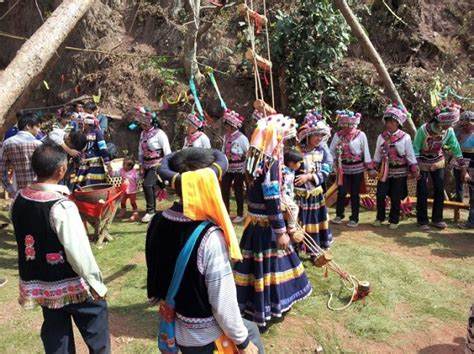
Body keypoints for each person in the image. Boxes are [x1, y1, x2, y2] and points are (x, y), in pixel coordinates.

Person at [149, 148, 262, 354]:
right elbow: (223, 305)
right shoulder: (210, 237)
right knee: (251, 333)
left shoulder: (157, 221)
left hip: (176, 328)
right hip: (206, 338)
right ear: (211, 184)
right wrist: (244, 343)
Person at [10, 143, 109, 354]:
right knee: (95, 326)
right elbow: (78, 253)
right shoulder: (61, 206)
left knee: (56, 334)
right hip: (72, 283)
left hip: (43, 284)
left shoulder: (18, 199)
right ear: (61, 170)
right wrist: (96, 284)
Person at [234, 114, 312, 327]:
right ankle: (266, 307)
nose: (283, 144)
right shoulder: (271, 163)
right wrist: (280, 230)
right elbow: (271, 198)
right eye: (282, 139)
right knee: (268, 266)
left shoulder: (254, 160)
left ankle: (248, 303)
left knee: (252, 266)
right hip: (267, 227)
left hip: (255, 223)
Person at [413, 101, 465, 230]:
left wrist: (462, 165)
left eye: (451, 123)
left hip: (438, 161)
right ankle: (422, 220)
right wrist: (415, 165)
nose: (450, 126)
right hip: (422, 162)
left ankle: (437, 219)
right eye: (448, 123)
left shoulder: (449, 132)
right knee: (422, 191)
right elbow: (415, 148)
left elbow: (456, 148)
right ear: (441, 121)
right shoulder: (423, 130)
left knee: (439, 189)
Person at [372, 103, 419, 229]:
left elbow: (409, 154)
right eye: (387, 121)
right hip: (384, 171)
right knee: (380, 194)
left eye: (392, 122)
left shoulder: (405, 137)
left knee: (395, 196)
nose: (389, 124)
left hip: (399, 172)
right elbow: (377, 153)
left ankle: (394, 220)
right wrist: (373, 166)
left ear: (398, 123)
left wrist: (414, 168)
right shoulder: (381, 137)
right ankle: (380, 217)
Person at [330, 110, 376, 227]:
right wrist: (332, 165)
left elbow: (365, 151)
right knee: (342, 192)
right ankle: (339, 215)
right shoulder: (338, 135)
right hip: (343, 169)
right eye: (345, 125)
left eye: (350, 125)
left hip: (358, 169)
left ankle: (354, 218)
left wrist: (369, 167)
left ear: (354, 124)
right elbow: (331, 151)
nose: (348, 127)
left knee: (355, 193)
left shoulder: (361, 135)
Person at [295, 111, 333, 250]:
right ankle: (296, 250)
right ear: (308, 135)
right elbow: (289, 171)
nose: (319, 138)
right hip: (299, 196)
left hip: (315, 194)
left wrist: (309, 177)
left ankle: (314, 251)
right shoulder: (297, 151)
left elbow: (326, 170)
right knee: (298, 222)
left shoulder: (322, 152)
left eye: (321, 135)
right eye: (316, 135)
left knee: (314, 222)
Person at [137, 106, 171, 223]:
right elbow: (140, 150)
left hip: (157, 164)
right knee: (146, 186)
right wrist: (141, 164)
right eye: (141, 124)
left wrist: (165, 166)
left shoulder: (160, 134)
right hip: (146, 164)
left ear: (151, 123)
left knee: (147, 185)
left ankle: (150, 211)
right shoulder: (142, 134)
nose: (142, 126)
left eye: (144, 124)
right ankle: (150, 209)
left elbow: (167, 151)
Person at [0, 113, 43, 191]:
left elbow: (2, 169)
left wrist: (9, 189)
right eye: (38, 127)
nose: (39, 130)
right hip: (36, 190)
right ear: (28, 126)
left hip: (17, 190)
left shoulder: (7, 143)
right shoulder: (38, 144)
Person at [221, 109, 249, 223]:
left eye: (227, 125)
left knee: (238, 190)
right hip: (228, 167)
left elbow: (247, 153)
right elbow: (223, 150)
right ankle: (225, 212)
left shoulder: (242, 138)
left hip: (239, 168)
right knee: (225, 189)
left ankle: (240, 213)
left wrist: (245, 169)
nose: (226, 128)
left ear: (232, 126)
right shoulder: (225, 137)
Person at [73, 114, 112, 188]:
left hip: (95, 163)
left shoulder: (97, 132)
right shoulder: (82, 133)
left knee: (93, 184)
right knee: (83, 184)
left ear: (88, 124)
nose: (83, 125)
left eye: (84, 124)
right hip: (84, 162)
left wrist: (107, 161)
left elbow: (102, 147)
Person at [282, 149, 303, 240]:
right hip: (282, 195)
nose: (300, 165)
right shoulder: (284, 171)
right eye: (298, 162)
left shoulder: (291, 170)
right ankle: (291, 227)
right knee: (294, 208)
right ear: (291, 163)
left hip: (289, 195)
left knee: (292, 210)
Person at [453, 111, 473, 202]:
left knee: (471, 183)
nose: (466, 127)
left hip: (472, 159)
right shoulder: (458, 132)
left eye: (468, 124)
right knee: (458, 182)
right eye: (464, 124)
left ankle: (471, 204)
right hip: (459, 157)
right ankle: (458, 201)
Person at [115, 157, 140, 221]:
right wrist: (110, 171)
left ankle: (135, 213)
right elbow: (115, 174)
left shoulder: (134, 172)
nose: (122, 165)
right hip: (124, 190)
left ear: (130, 166)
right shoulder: (121, 170)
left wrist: (138, 179)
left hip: (132, 191)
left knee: (132, 202)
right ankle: (123, 211)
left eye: (124, 164)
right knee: (122, 202)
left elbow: (138, 179)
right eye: (123, 164)